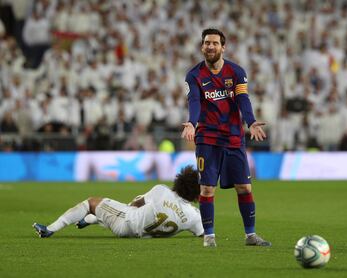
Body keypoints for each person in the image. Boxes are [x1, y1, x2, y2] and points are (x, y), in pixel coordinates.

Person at [181, 28, 270, 247]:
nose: (209, 46)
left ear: (223, 47)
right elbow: (194, 101)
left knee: (245, 188)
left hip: (233, 138)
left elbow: (243, 99)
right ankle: (209, 237)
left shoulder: (236, 72)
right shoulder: (194, 75)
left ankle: (250, 235)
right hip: (208, 139)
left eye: (214, 43)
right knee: (207, 189)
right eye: (206, 43)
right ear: (202, 47)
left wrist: (250, 121)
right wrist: (192, 122)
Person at [33, 166, 203, 238]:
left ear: (179, 180)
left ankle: (49, 229)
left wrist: (129, 208)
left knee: (91, 202)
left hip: (126, 222)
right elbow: (201, 233)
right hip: (143, 235)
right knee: (114, 211)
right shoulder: (194, 217)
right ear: (196, 195)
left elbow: (136, 204)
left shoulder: (162, 191)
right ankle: (93, 218)